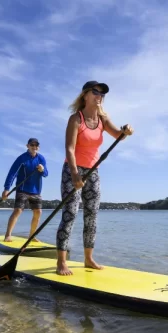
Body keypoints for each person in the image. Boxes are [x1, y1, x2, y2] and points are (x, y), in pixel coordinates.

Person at [56, 80, 134, 275]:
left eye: (102, 94)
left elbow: (118, 135)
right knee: (70, 214)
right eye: (96, 92)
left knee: (92, 216)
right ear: (85, 95)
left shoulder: (102, 120)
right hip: (72, 170)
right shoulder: (76, 119)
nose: (99, 96)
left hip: (93, 172)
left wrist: (125, 131)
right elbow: (70, 149)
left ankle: (88, 259)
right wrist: (74, 174)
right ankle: (61, 262)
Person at [2, 138, 49, 242]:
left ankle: (32, 236)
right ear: (27, 146)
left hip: (36, 191)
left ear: (38, 147)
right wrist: (6, 189)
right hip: (22, 189)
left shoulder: (41, 158)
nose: (34, 147)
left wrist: (42, 170)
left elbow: (46, 174)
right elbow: (12, 173)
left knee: (38, 212)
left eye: (36, 145)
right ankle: (8, 235)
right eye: (32, 145)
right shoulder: (22, 158)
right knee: (18, 210)